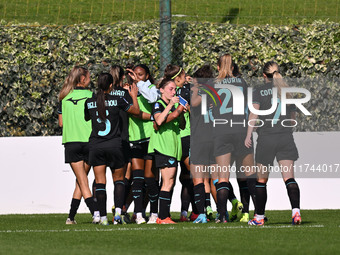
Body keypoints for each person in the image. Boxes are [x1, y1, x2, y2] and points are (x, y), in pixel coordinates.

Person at [245, 61, 301, 226]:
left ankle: (259, 218)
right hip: (285, 138)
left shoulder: (259, 91)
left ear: (264, 75)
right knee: (289, 178)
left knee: (261, 180)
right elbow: (292, 120)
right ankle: (296, 212)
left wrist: (248, 134)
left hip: (267, 139)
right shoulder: (286, 90)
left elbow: (254, 115)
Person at [84, 72, 139, 225]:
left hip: (96, 146)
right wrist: (133, 95)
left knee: (100, 182)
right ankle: (117, 216)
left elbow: (87, 117)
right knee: (119, 181)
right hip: (115, 144)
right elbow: (136, 111)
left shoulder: (89, 102)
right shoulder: (118, 100)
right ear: (110, 86)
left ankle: (102, 218)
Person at [58, 66, 99, 224]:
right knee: (83, 181)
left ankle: (71, 217)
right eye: (88, 76)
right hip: (89, 141)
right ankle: (95, 212)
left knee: (81, 182)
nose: (90, 78)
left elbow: (61, 124)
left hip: (71, 142)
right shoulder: (91, 95)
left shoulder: (64, 97)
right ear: (83, 79)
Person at [148, 78, 187, 224]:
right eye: (170, 89)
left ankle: (164, 215)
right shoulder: (159, 104)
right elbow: (158, 121)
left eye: (175, 89)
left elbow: (182, 126)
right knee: (167, 182)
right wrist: (171, 106)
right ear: (161, 90)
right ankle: (162, 216)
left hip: (172, 148)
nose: (174, 92)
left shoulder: (173, 106)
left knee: (170, 182)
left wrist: (181, 112)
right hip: (164, 147)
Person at [163, 64, 198, 222]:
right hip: (185, 137)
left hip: (170, 139)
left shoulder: (163, 91)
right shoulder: (186, 91)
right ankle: (195, 212)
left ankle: (164, 213)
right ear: (177, 79)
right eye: (184, 75)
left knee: (170, 179)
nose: (186, 76)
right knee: (193, 176)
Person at [127, 64, 160, 224]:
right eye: (135, 74)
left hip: (150, 138)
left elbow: (153, 99)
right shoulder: (129, 90)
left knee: (150, 178)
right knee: (138, 179)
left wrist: (139, 84)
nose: (137, 77)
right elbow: (133, 111)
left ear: (146, 76)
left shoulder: (152, 88)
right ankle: (138, 214)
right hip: (135, 138)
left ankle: (154, 213)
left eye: (140, 75)